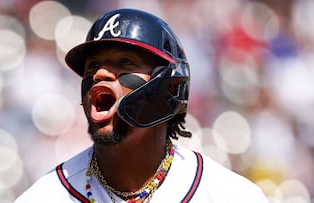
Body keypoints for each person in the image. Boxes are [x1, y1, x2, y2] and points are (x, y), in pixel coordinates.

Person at [15, 8, 268, 203]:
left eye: (124, 62)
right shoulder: (45, 196)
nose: (100, 74)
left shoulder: (230, 195)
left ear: (169, 86)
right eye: (92, 66)